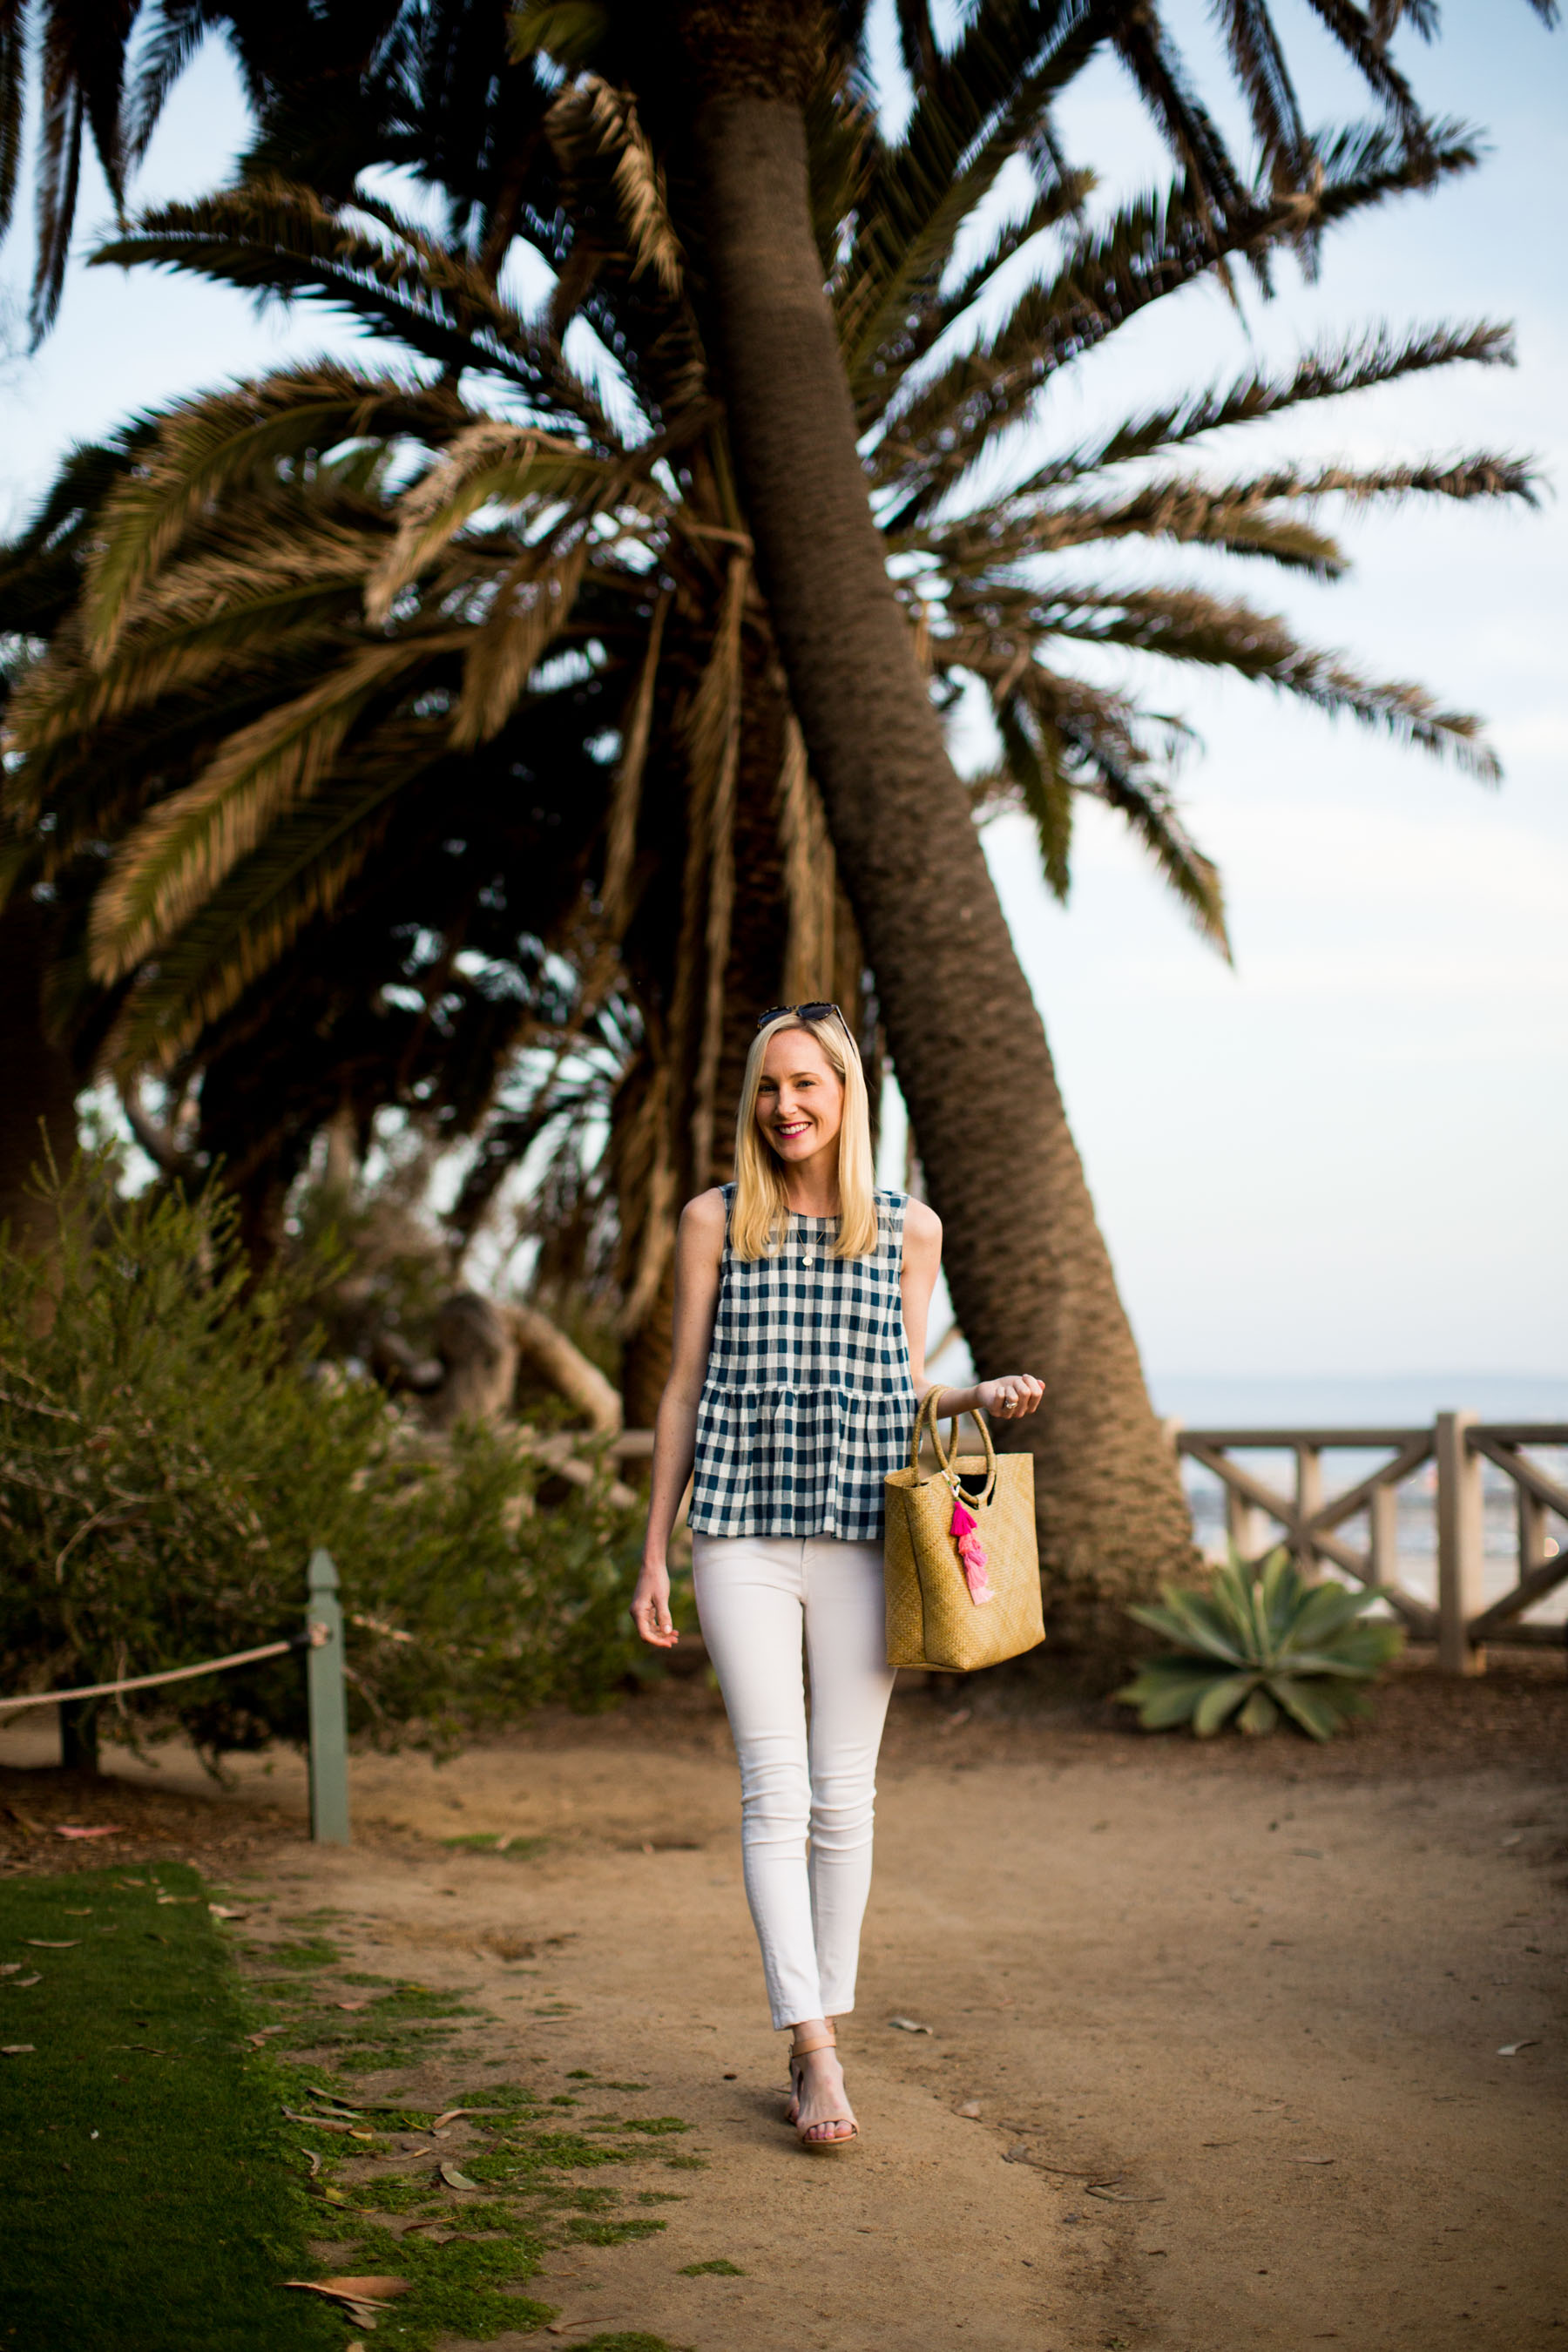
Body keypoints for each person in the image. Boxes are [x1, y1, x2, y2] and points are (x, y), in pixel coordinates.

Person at [632, 1003, 1043, 2151]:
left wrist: (980, 1396)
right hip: (742, 1535)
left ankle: (820, 2020)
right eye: (770, 1088)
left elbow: (899, 1388)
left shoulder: (912, 1232)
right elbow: (678, 1392)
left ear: (849, 1097)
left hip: (865, 1535)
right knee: (774, 1793)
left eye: (808, 1084)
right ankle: (815, 2049)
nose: (787, 1107)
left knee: (843, 1799)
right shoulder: (714, 1222)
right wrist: (653, 1547)